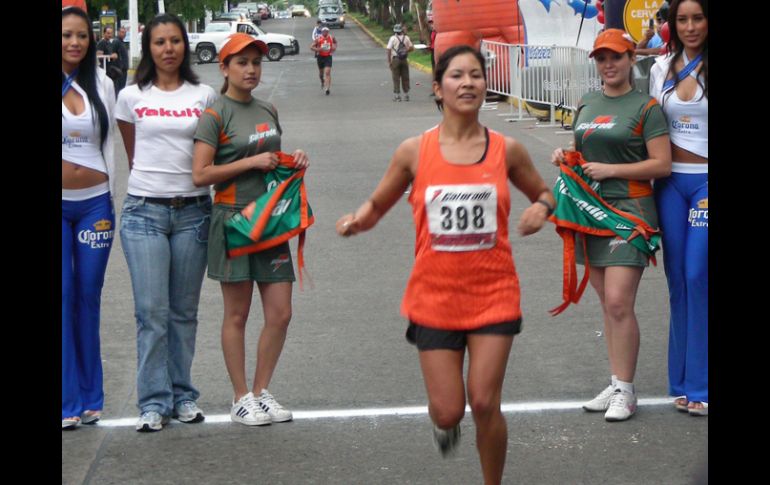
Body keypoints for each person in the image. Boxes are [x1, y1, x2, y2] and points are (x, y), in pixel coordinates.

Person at [336, 45, 554, 485]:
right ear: (438, 88)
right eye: (457, 75)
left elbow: (544, 193)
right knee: (450, 408)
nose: (468, 82)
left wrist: (541, 211)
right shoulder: (414, 152)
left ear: (485, 84)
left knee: (486, 402)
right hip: (434, 297)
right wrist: (359, 219)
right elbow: (379, 203)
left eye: (476, 74)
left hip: (494, 293)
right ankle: (444, 422)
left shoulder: (506, 149)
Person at [551, 29, 671, 422]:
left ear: (631, 58)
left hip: (631, 211)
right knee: (608, 304)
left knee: (620, 301)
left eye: (616, 57)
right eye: (602, 58)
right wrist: (565, 156)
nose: (609, 65)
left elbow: (662, 164)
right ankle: (618, 382)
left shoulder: (647, 107)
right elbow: (585, 153)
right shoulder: (587, 102)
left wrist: (612, 169)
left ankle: (628, 391)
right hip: (592, 210)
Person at [192, 33, 310, 427]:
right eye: (241, 63)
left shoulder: (267, 108)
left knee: (281, 313)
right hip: (233, 221)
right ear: (224, 68)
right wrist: (250, 163)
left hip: (270, 221)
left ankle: (261, 392)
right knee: (237, 315)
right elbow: (200, 174)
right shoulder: (215, 115)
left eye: (256, 63)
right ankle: (240, 396)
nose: (251, 70)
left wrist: (291, 160)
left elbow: (271, 160)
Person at [115, 12, 218, 433]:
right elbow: (132, 152)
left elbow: (211, 152)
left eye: (175, 41)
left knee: (183, 313)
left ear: (185, 45)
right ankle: (153, 402)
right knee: (151, 312)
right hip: (144, 213)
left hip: (194, 212)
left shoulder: (205, 94)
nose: (168, 49)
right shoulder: (130, 96)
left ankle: (183, 396)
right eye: (160, 42)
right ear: (148, 47)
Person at [649, 0, 708, 417]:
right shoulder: (658, 69)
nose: (690, 26)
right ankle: (681, 381)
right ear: (673, 23)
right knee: (676, 282)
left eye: (698, 18)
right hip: (669, 184)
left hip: (706, 183)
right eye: (682, 19)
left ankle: (701, 383)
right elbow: (650, 128)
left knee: (697, 274)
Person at [62, 5, 117, 430]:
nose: (74, 43)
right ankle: (67, 402)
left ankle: (92, 398)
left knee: (87, 297)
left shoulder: (101, 82)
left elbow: (110, 144)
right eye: (66, 35)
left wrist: (112, 195)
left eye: (81, 35)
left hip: (96, 204)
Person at [386, 24, 414, 102]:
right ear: (401, 30)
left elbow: (388, 50)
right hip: (404, 60)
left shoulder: (392, 38)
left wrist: (389, 61)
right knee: (405, 77)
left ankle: (397, 96)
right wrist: (405, 51)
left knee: (396, 78)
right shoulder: (406, 38)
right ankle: (406, 95)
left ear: (395, 30)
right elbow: (412, 48)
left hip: (395, 59)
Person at [310, 26, 337, 95]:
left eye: (326, 31)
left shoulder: (331, 37)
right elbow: (311, 47)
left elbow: (335, 42)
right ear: (322, 32)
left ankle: (327, 88)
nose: (325, 32)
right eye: (324, 31)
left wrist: (334, 47)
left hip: (328, 56)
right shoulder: (318, 38)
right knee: (321, 74)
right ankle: (322, 81)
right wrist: (318, 49)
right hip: (320, 57)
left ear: (328, 32)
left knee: (327, 72)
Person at [113, 26, 129, 93]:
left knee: (122, 88)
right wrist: (120, 66)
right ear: (118, 32)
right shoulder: (116, 42)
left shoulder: (122, 42)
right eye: (122, 32)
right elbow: (113, 54)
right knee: (119, 89)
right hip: (119, 70)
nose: (124, 34)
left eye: (125, 33)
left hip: (123, 70)